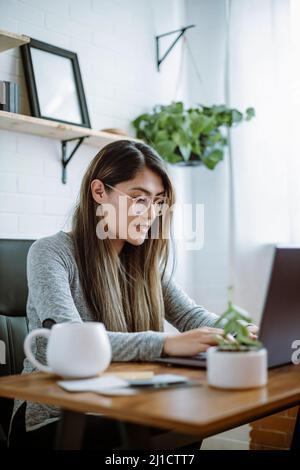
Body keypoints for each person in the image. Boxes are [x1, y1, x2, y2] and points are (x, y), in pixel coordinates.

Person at [8, 140, 258, 449]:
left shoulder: (142, 262)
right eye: (139, 199)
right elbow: (75, 342)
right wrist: (168, 343)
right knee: (171, 426)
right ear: (99, 192)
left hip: (119, 402)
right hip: (53, 420)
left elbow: (190, 315)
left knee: (185, 424)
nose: (151, 213)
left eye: (158, 202)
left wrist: (238, 332)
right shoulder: (51, 253)